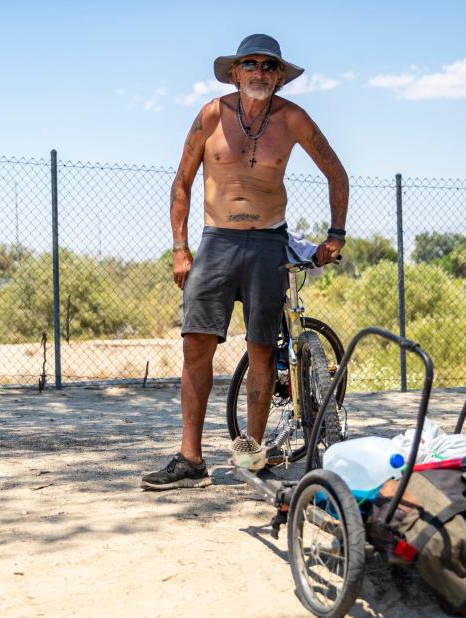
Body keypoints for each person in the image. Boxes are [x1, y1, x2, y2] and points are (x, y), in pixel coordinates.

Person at [141, 34, 348, 490]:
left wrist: (336, 235)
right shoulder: (212, 115)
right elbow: (181, 182)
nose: (259, 72)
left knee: (261, 351)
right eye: (249, 64)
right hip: (216, 242)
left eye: (268, 66)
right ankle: (190, 459)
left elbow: (336, 172)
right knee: (196, 345)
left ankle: (253, 458)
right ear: (235, 73)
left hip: (267, 245)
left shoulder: (292, 118)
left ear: (278, 75)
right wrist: (180, 246)